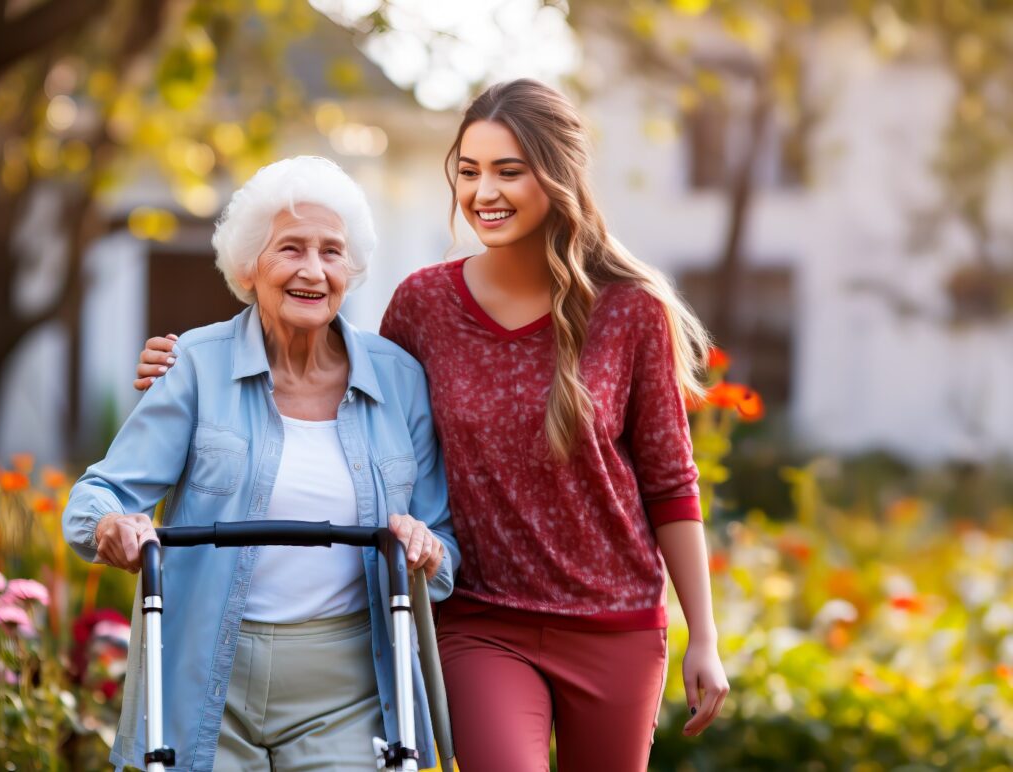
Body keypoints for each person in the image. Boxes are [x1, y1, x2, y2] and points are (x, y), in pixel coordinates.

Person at [136, 80, 728, 771]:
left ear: (558, 175)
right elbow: (344, 395)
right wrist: (192, 366)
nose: (484, 192)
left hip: (615, 627)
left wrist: (704, 636)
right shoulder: (425, 304)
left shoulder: (630, 309)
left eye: (508, 171)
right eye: (469, 171)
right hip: (481, 621)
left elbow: (670, 481)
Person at [65, 156, 459, 772]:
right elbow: (100, 494)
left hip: (350, 684)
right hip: (207, 674)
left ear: (350, 269)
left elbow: (444, 546)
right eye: (290, 248)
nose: (313, 270)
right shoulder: (195, 365)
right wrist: (111, 525)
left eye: (332, 251)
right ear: (249, 266)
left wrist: (426, 548)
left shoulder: (399, 379)